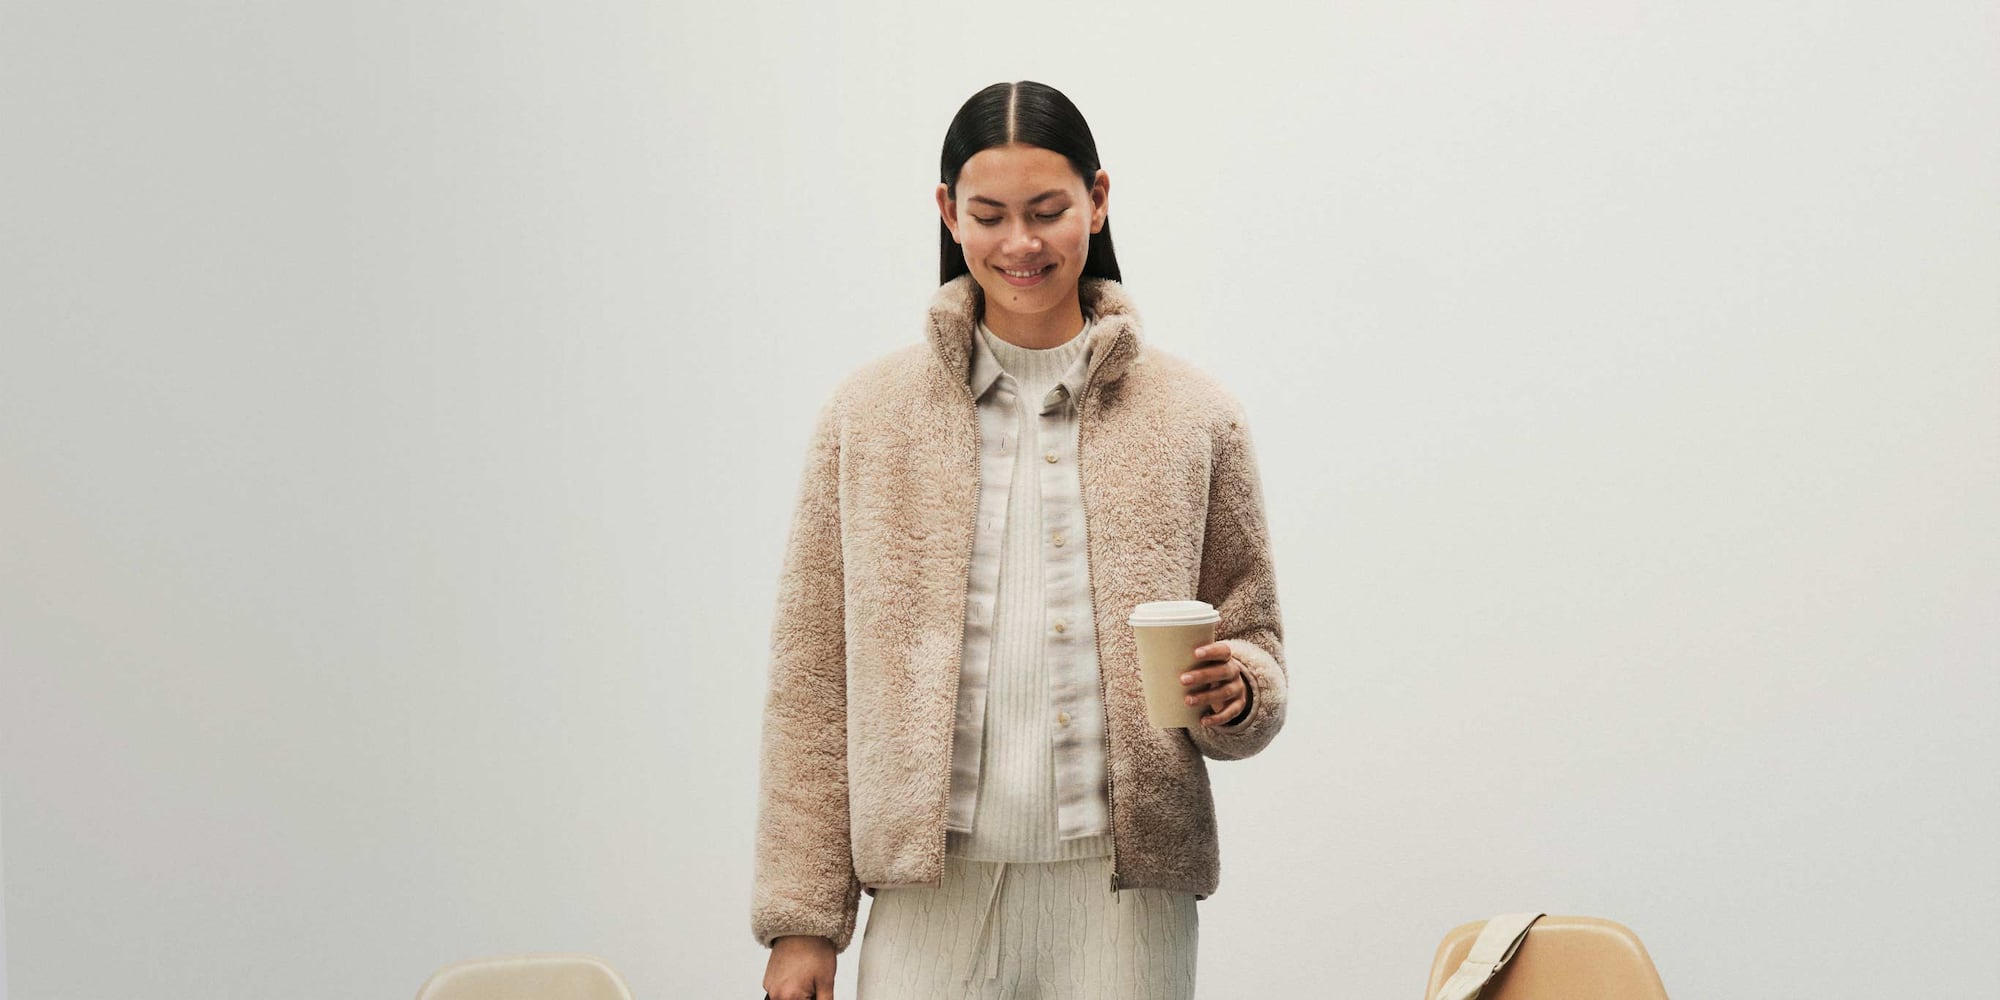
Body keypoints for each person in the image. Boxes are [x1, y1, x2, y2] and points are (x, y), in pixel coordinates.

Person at [753, 80, 1289, 1000]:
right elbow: (813, 683)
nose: (1021, 244)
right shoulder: (868, 418)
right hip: (931, 897)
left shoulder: (1196, 417)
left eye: (1048, 211)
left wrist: (1239, 688)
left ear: (1100, 199)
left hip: (1125, 898)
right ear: (947, 214)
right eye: (990, 214)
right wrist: (806, 922)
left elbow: (1256, 641)